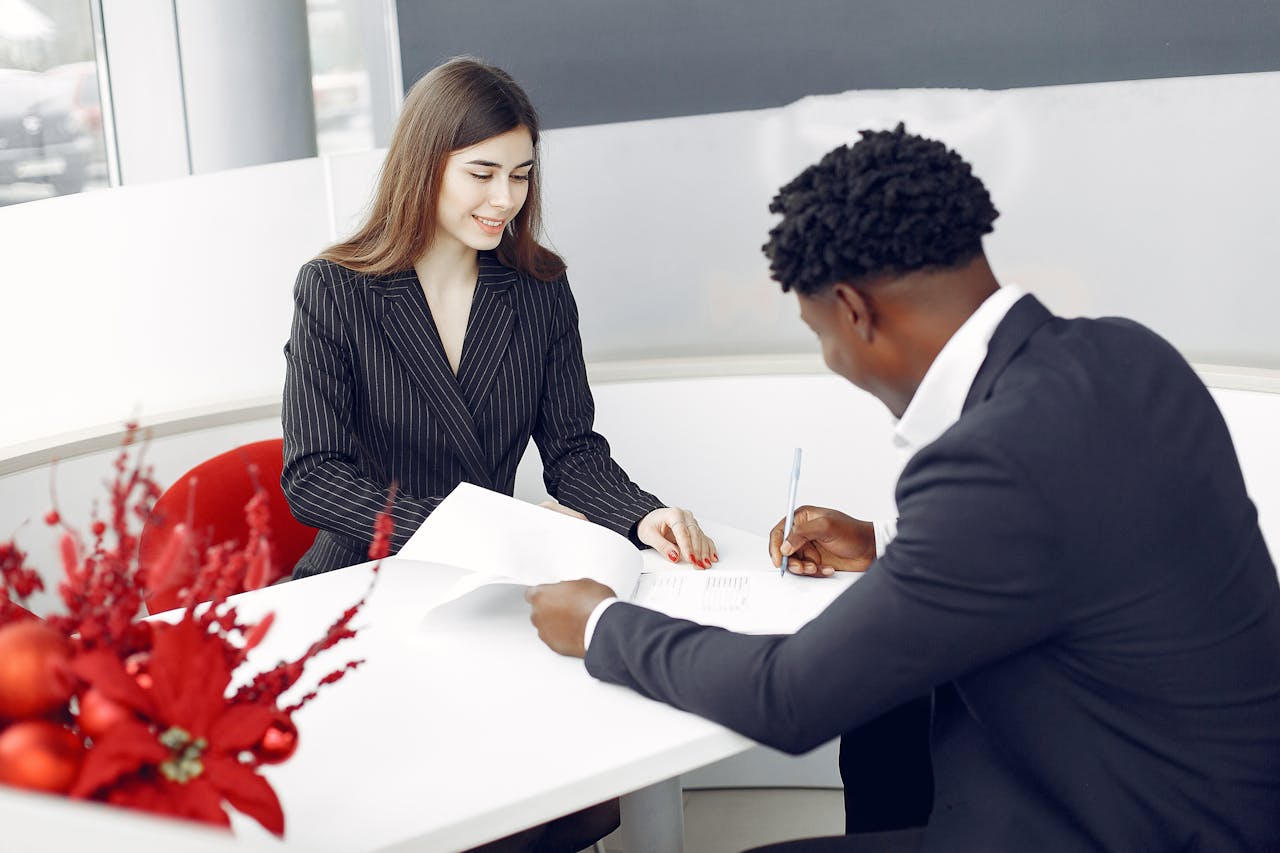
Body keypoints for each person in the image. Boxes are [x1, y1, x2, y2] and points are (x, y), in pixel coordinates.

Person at [526, 124, 1280, 852]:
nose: (831, 354)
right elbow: (1086, 533)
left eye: (820, 332)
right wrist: (884, 544)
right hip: (1220, 796)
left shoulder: (993, 458)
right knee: (886, 724)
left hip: (1128, 825)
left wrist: (601, 622)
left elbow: (787, 697)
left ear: (855, 311)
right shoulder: (1127, 352)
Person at [281, 56, 716, 851]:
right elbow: (313, 477)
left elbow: (574, 452)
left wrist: (644, 514)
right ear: (425, 165)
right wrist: (469, 529)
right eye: (482, 173)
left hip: (489, 590)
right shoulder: (335, 288)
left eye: (520, 175)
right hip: (361, 585)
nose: (505, 199)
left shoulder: (540, 289)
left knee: (538, 789)